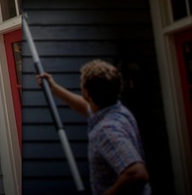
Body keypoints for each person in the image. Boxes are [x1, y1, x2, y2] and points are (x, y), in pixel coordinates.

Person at [37, 59, 150, 195]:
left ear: (86, 92)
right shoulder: (117, 111)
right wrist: (53, 88)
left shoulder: (106, 130)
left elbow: (137, 173)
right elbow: (86, 106)